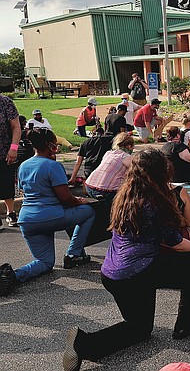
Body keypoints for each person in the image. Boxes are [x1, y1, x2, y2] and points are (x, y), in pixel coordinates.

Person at [58, 149, 190, 370]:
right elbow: (174, 241)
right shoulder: (154, 201)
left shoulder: (125, 193)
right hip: (137, 273)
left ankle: (83, 344)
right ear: (162, 171)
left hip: (113, 273)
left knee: (139, 329)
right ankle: (189, 323)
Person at [0, 129, 95, 296]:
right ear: (49, 145)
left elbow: (25, 190)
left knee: (44, 263)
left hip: (27, 220)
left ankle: (12, 276)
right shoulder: (53, 166)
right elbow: (65, 198)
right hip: (51, 216)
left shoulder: (24, 165)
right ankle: (73, 254)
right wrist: (79, 201)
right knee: (87, 212)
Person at [84, 133, 135, 200]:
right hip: (106, 191)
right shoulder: (126, 157)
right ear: (129, 146)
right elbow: (137, 171)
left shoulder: (108, 153)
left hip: (89, 186)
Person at [1, 95, 22, 230]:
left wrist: (13, 148)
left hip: (5, 152)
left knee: (7, 182)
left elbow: (16, 127)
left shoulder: (5, 102)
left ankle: (11, 213)